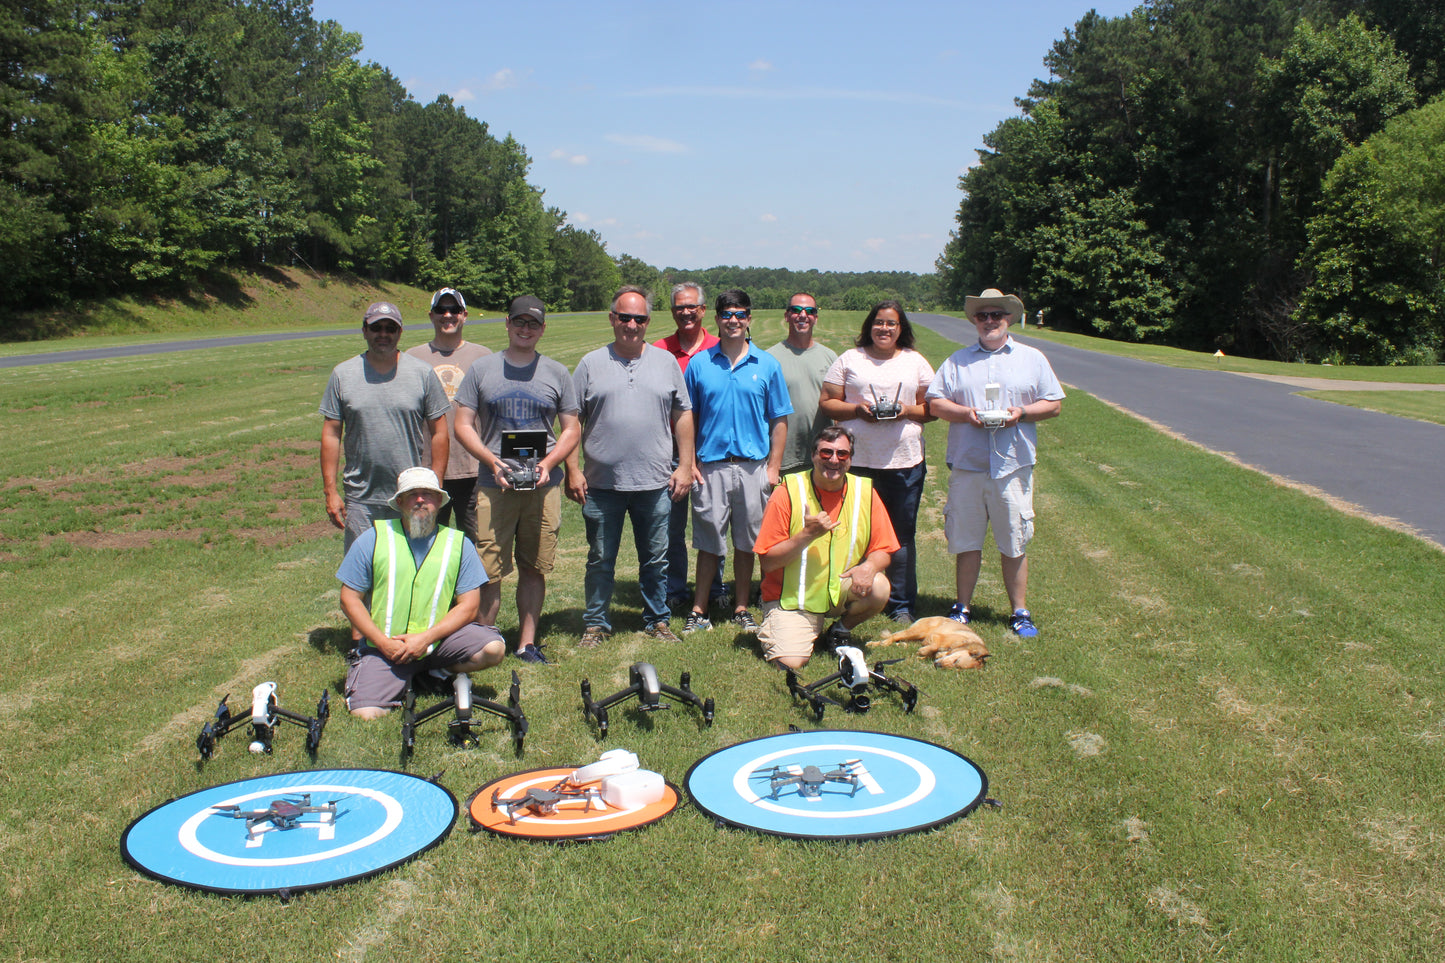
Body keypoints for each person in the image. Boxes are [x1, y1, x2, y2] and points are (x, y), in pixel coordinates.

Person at [925, 288, 1064, 637]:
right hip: (968, 465)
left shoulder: (1032, 358)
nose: (990, 321)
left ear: (1008, 319)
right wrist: (966, 414)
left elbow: (1054, 404)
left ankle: (1019, 612)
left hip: (1013, 467)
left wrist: (1022, 413)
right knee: (967, 540)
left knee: (1013, 540)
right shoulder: (957, 361)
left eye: (996, 315)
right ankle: (962, 608)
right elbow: (935, 403)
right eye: (983, 315)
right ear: (974, 320)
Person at [565, 287, 695, 647]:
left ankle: (657, 620)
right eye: (625, 317)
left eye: (639, 319)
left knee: (656, 559)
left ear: (647, 322)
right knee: (600, 559)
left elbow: (682, 413)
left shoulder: (665, 362)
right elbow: (572, 419)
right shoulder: (591, 363)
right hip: (602, 484)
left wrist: (685, 465)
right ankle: (596, 624)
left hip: (654, 482)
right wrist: (572, 470)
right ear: (612, 319)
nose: (632, 325)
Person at [454, 295, 581, 664]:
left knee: (533, 565)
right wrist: (491, 461)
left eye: (533, 324)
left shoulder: (557, 372)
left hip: (543, 486)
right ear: (507, 325)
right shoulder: (482, 370)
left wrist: (550, 463)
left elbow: (571, 428)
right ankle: (484, 641)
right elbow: (463, 424)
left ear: (542, 329)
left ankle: (527, 643)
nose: (526, 329)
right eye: (519, 322)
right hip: (496, 485)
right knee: (488, 567)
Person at [336, 467, 505, 719]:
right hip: (386, 647)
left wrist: (425, 639)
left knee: (494, 648)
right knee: (365, 713)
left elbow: (469, 606)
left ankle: (436, 673)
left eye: (427, 494)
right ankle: (404, 676)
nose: (420, 500)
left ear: (439, 501)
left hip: (438, 642)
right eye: (412, 494)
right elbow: (349, 600)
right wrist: (383, 643)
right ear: (400, 502)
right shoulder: (373, 538)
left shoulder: (459, 544)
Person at [683, 288, 793, 634]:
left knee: (748, 543)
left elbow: (779, 420)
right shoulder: (700, 364)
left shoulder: (767, 365)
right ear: (716, 319)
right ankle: (699, 610)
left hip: (753, 467)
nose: (733, 320)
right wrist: (689, 463)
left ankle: (742, 606)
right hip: (711, 466)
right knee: (708, 542)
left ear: (749, 320)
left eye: (740, 314)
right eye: (727, 314)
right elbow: (689, 418)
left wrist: (773, 468)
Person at [819, 300, 935, 623]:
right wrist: (857, 411)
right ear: (869, 326)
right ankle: (848, 595)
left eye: (892, 324)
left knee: (900, 535)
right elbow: (827, 402)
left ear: (901, 329)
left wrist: (905, 411)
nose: (884, 329)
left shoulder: (915, 362)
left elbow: (933, 409)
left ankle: (900, 604)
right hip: (856, 464)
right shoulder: (850, 359)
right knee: (852, 532)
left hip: (904, 463)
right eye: (879, 323)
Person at [754, 427, 898, 670]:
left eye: (842, 454)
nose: (834, 460)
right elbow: (767, 561)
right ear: (813, 456)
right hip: (791, 599)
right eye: (826, 453)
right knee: (791, 663)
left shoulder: (865, 491)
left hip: (836, 590)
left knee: (879, 585)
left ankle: (840, 631)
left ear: (851, 459)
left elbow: (884, 548)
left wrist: (870, 566)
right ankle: (784, 624)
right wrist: (808, 535)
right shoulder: (786, 491)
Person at [319, 300, 451, 552]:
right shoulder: (342, 374)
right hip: (361, 498)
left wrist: (435, 485)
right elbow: (331, 434)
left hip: (412, 495)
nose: (383, 334)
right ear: (364, 330)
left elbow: (440, 432)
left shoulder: (422, 373)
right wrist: (331, 492)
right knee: (363, 575)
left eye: (390, 328)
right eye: (376, 327)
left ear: (400, 333)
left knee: (413, 571)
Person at [653, 281, 723, 612]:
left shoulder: (720, 346)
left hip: (712, 452)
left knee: (713, 523)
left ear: (703, 310)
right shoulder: (658, 350)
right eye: (680, 307)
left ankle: (716, 586)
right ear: (672, 312)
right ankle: (675, 588)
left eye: (692, 306)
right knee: (672, 525)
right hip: (669, 453)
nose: (686, 312)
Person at [405, 287, 492, 536]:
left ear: (464, 315)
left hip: (475, 470)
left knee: (478, 543)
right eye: (441, 309)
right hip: (427, 471)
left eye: (454, 309)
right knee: (424, 539)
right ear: (431, 315)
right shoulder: (412, 358)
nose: (447, 315)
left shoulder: (483, 356)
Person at [767, 292, 838, 475]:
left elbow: (838, 408)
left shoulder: (830, 358)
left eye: (809, 311)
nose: (803, 315)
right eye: (796, 310)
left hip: (822, 458)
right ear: (787, 316)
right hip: (783, 460)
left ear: (815, 317)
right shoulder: (769, 359)